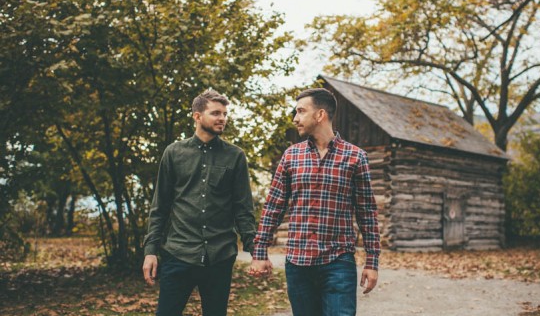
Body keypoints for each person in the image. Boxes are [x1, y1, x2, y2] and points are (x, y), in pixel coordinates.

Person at [250, 88, 381, 316]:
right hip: (298, 264)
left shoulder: (355, 157)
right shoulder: (291, 155)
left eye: (301, 111)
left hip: (338, 262)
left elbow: (367, 212)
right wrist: (260, 252)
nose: (295, 118)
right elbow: (273, 206)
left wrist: (372, 261)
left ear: (320, 115)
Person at [142, 89, 256, 316]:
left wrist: (256, 251)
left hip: (220, 256)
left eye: (224, 113)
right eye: (215, 113)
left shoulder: (235, 156)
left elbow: (243, 208)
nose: (222, 118)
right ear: (197, 116)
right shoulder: (174, 153)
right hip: (179, 253)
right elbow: (160, 207)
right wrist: (150, 250)